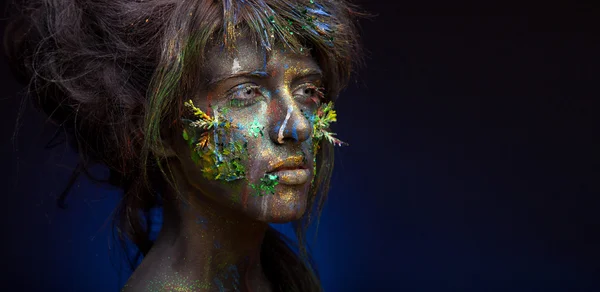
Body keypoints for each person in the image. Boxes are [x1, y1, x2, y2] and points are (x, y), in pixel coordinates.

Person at [4, 0, 362, 290]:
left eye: (307, 92)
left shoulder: (280, 278)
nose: (297, 124)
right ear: (160, 131)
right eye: (246, 92)